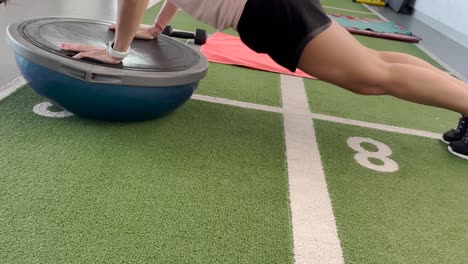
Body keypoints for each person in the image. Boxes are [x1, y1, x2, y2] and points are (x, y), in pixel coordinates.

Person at [2, 0, 468, 159]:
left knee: (368, 78)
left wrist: (117, 51)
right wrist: (158, 28)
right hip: (272, 8)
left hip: (268, 12)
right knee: (373, 66)